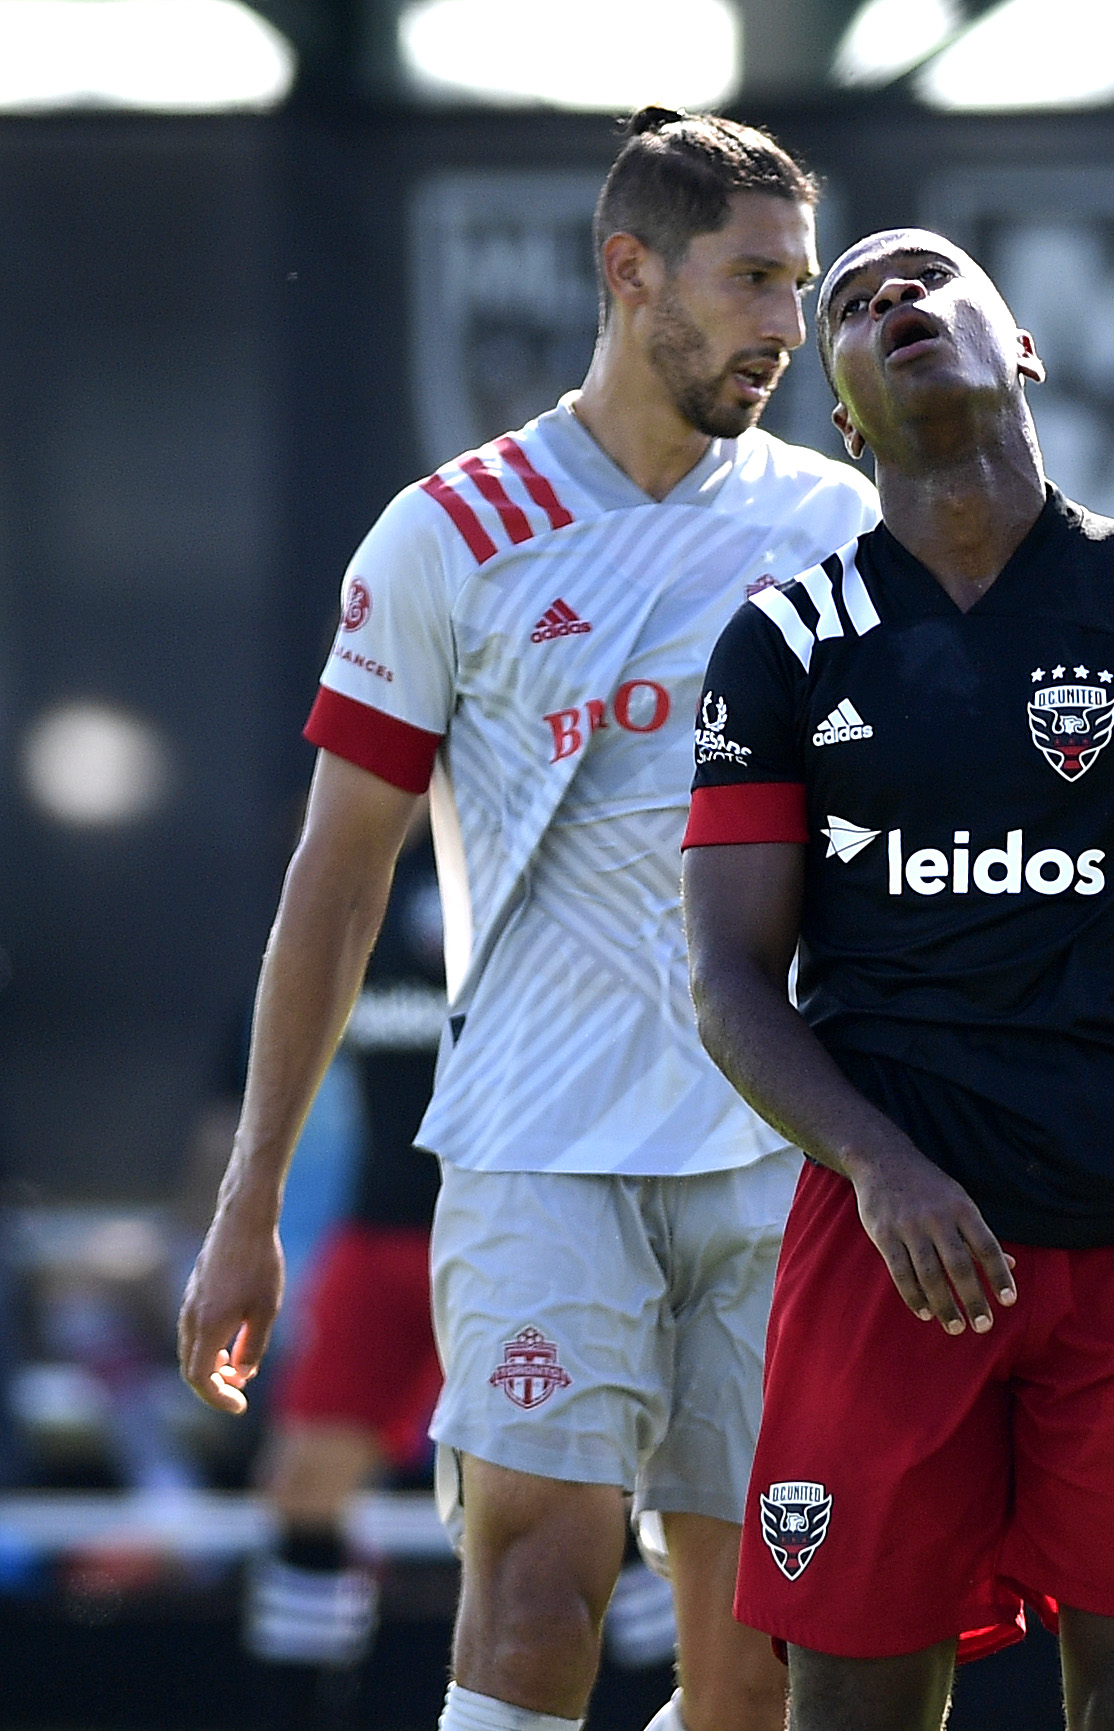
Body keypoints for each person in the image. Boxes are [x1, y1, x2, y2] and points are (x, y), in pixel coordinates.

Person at [177, 108, 877, 1731]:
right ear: (630, 274)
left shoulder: (840, 532)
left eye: (802, 281)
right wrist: (249, 1198)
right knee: (540, 1595)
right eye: (754, 279)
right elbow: (336, 881)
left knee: (754, 1656)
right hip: (540, 1143)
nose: (790, 323)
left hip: (785, 1150)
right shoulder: (449, 536)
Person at [679, 226, 1114, 1731]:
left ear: (1023, 346)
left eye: (927, 279)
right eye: (851, 304)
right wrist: (880, 1162)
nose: (890, 304)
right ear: (844, 415)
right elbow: (729, 976)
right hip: (893, 1257)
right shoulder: (784, 641)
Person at [240, 823, 448, 1725]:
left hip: (505, 1226)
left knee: (562, 1496)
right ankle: (304, 1711)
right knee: (301, 1485)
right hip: (376, 1234)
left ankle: (634, 1700)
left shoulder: (510, 851)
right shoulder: (344, 879)